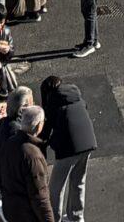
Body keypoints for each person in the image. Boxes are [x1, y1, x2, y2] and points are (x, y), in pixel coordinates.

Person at [40, 74, 98, 222]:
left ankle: (54, 219)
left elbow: (46, 131)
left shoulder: (53, 102)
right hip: (88, 143)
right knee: (79, 181)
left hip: (68, 149)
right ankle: (76, 217)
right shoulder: (76, 95)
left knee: (56, 188)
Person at [0, 101, 57, 222]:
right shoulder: (33, 155)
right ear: (39, 125)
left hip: (10, 210)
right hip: (27, 215)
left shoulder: (9, 144)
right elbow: (40, 197)